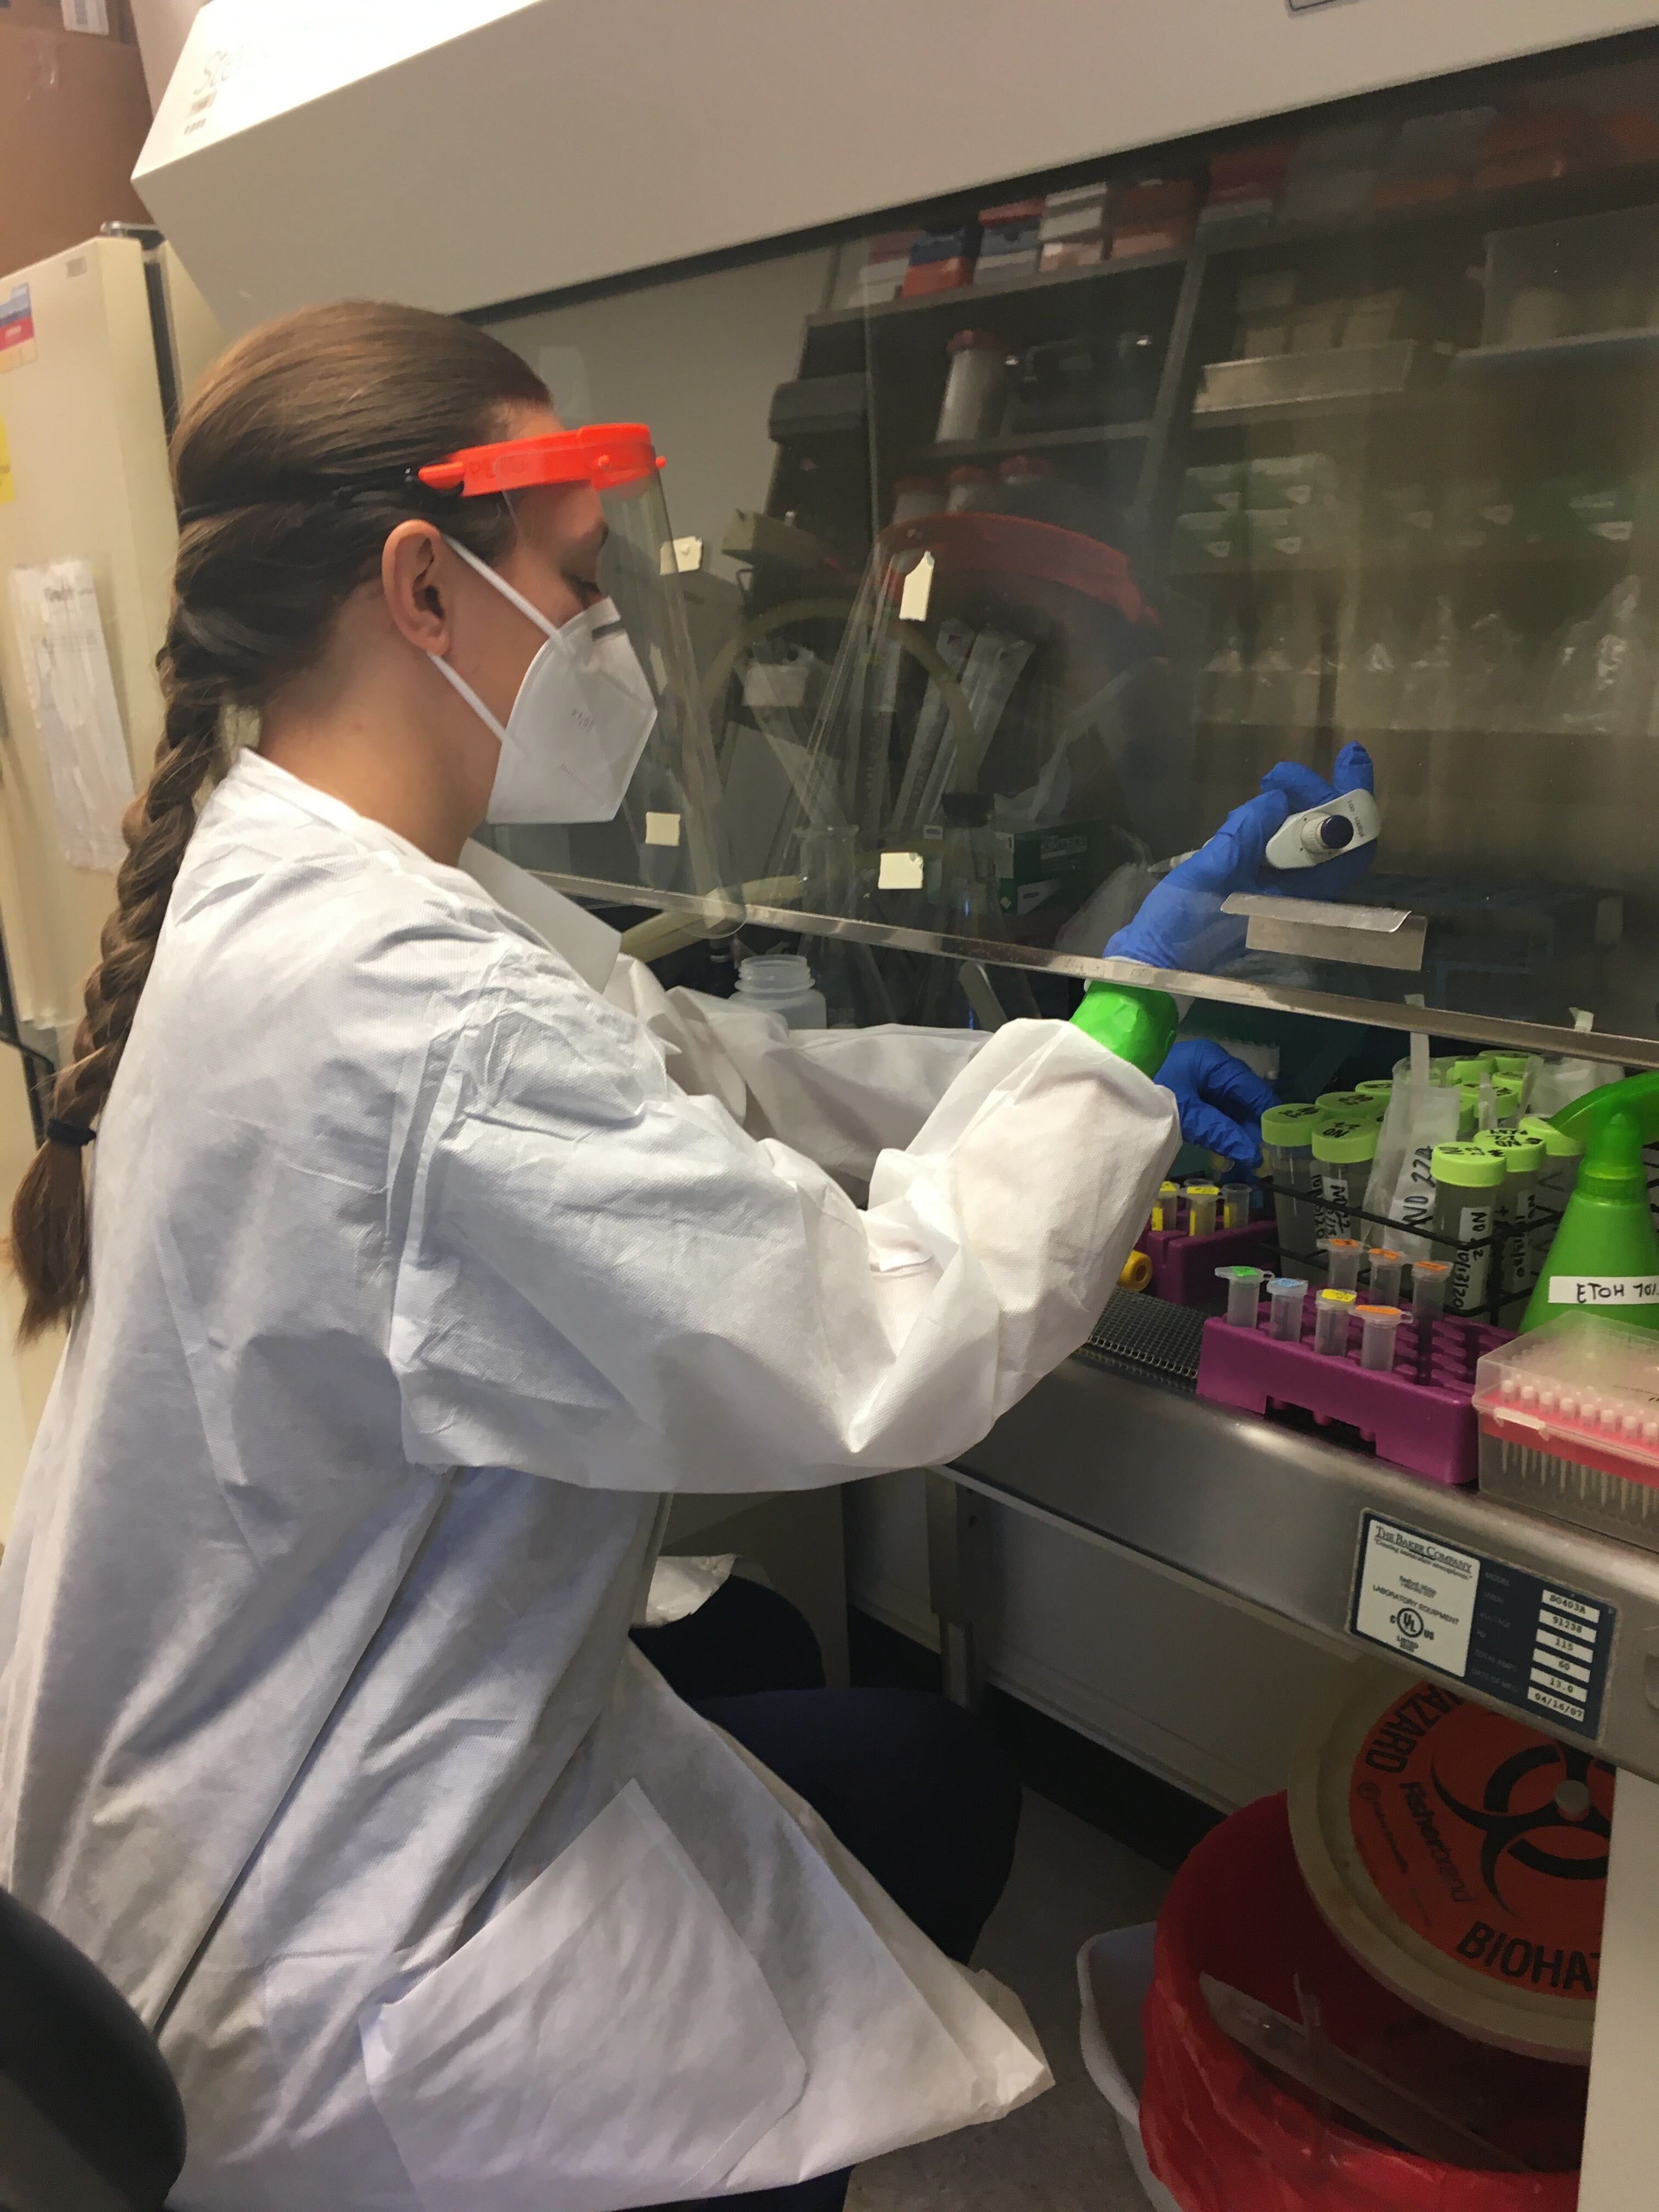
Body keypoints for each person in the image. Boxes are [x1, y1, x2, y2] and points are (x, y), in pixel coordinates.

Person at [0, 302, 1364, 2211]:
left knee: (901, 1780)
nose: (617, 631)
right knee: (871, 1850)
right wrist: (1110, 1052)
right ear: (421, 586)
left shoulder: (307, 876)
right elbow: (880, 1341)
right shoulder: (405, 1006)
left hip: (216, 1812)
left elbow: (692, 1077)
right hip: (319, 1945)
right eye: (583, 578)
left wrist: (1058, 1050)